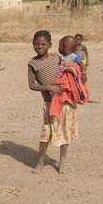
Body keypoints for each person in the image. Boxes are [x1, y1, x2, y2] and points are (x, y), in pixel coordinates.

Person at [28, 30, 68, 174]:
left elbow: (67, 71)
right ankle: (40, 162)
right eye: (37, 44)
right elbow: (31, 85)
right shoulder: (33, 63)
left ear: (50, 45)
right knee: (45, 133)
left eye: (44, 44)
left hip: (64, 102)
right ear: (32, 44)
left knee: (63, 132)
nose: (40, 46)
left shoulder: (57, 58)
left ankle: (62, 161)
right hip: (48, 103)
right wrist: (48, 87)